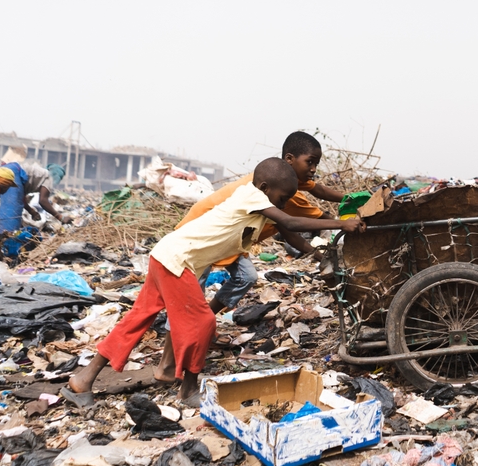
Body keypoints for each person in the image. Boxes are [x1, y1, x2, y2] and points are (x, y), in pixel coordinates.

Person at [64, 157, 366, 406]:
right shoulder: (251, 195)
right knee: (203, 323)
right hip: (177, 261)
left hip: (166, 255)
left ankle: (83, 380)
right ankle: (189, 390)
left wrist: (317, 253)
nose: (285, 203)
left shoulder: (264, 206)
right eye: (283, 198)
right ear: (264, 188)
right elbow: (290, 221)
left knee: (137, 319)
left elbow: (290, 231)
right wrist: (341, 223)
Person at [175, 131, 343, 316]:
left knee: (246, 277)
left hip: (232, 239)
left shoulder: (285, 185)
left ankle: (204, 319)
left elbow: (316, 195)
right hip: (202, 232)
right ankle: (186, 331)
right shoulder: (275, 186)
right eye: (310, 162)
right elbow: (299, 223)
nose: (313, 169)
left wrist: (349, 198)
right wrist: (345, 225)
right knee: (192, 295)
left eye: (316, 164)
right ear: (289, 159)